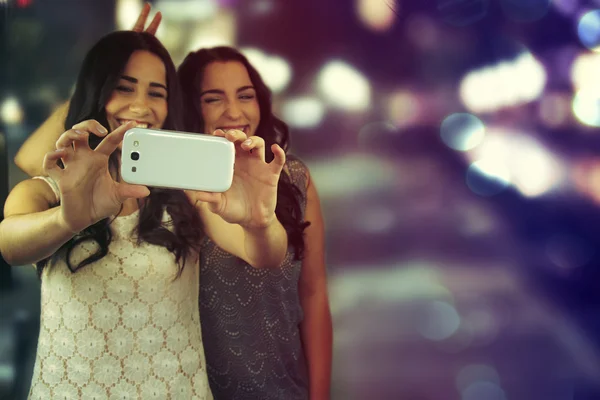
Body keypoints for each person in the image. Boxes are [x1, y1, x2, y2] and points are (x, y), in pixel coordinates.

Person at [13, 5, 332, 399]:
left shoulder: (182, 193)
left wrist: (260, 222)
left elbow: (264, 255)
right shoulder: (54, 191)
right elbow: (11, 240)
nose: (140, 105)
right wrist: (66, 220)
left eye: (156, 92)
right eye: (123, 86)